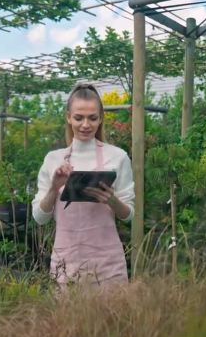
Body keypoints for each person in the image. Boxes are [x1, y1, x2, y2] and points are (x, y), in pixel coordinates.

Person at [32, 83, 134, 287]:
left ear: (101, 118)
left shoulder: (118, 157)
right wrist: (54, 189)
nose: (85, 125)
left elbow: (129, 215)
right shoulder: (54, 160)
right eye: (79, 118)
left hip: (107, 264)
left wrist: (112, 200)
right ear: (68, 117)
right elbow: (39, 218)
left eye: (92, 118)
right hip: (66, 263)